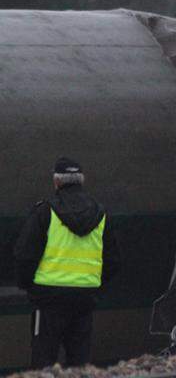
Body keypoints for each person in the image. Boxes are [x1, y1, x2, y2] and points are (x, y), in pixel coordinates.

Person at [12, 158, 121, 369]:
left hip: (48, 300)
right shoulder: (100, 215)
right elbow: (113, 261)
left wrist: (29, 287)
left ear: (56, 182)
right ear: (82, 181)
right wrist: (93, 286)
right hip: (84, 300)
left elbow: (24, 255)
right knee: (80, 364)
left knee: (43, 362)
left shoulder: (45, 212)